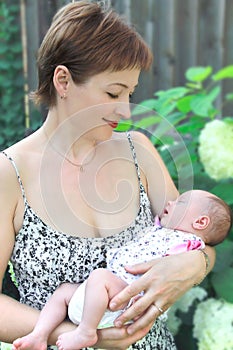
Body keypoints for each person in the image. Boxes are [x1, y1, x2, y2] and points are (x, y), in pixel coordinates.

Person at [0, 1, 217, 349]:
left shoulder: (139, 151)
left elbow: (200, 236)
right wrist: (79, 335)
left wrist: (194, 265)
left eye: (130, 93)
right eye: (113, 93)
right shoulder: (9, 174)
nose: (126, 110)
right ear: (63, 80)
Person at [12, 189, 232, 350]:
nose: (171, 201)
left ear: (201, 222)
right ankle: (39, 335)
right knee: (64, 291)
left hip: (130, 299)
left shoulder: (187, 243)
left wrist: (198, 261)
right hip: (104, 295)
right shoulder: (162, 228)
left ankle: (85, 333)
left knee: (99, 277)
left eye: (181, 202)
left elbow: (203, 255)